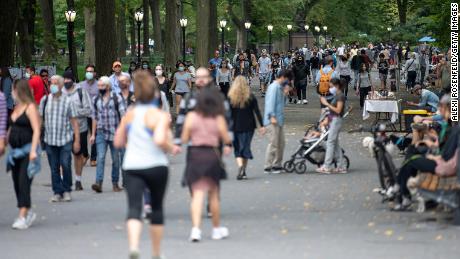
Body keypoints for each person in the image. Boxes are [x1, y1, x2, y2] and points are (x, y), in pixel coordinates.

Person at [114, 70, 174, 259]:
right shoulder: (159, 115)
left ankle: (133, 246)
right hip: (156, 165)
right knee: (156, 208)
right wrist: (171, 146)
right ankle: (156, 252)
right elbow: (159, 140)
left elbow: (118, 142)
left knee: (133, 208)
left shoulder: (129, 115)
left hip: (132, 166)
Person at [181, 87, 232, 242]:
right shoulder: (217, 117)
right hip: (212, 155)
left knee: (197, 194)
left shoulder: (191, 117)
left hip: (195, 155)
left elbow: (184, 138)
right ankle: (216, 229)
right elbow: (226, 137)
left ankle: (196, 230)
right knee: (213, 194)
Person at [391, 96, 455, 210]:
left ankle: (401, 190)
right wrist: (429, 137)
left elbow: (447, 154)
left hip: (443, 165)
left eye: (442, 108)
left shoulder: (452, 128)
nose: (439, 110)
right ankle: (401, 190)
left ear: (447, 109)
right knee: (412, 155)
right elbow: (443, 145)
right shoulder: (449, 125)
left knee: (411, 159)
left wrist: (434, 155)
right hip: (441, 161)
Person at [5, 80, 41, 230]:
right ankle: (27, 210)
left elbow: (37, 130)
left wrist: (33, 150)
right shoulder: (16, 107)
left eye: (13, 90)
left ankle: (22, 215)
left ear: (19, 90)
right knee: (16, 183)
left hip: (27, 151)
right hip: (14, 152)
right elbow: (11, 128)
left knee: (23, 181)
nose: (11, 93)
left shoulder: (30, 107)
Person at [40, 75, 80, 202]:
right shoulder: (45, 100)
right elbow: (40, 120)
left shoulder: (68, 101)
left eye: (56, 83)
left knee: (66, 164)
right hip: (50, 139)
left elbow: (74, 122)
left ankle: (67, 190)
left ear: (61, 85)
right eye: (52, 82)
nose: (53, 85)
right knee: (54, 167)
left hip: (65, 139)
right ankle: (57, 192)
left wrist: (77, 140)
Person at [89, 76, 126, 193]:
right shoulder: (96, 99)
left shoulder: (117, 98)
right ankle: (98, 183)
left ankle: (115, 183)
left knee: (116, 159)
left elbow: (123, 116)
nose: (100, 88)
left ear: (108, 86)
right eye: (98, 86)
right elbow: (94, 118)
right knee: (100, 157)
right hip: (101, 133)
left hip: (115, 133)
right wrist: (93, 134)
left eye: (102, 86)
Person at [228, 76, 264, 180]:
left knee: (238, 148)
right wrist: (261, 125)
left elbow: (228, 114)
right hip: (249, 126)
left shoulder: (231, 97)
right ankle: (243, 170)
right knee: (246, 146)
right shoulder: (250, 96)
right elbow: (257, 111)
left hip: (235, 126)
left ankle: (240, 167)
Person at [62, 71, 92, 191]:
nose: (66, 81)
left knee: (78, 155)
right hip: (64, 129)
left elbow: (88, 110)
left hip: (80, 128)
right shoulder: (60, 92)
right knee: (63, 155)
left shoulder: (81, 92)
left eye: (68, 79)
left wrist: (74, 113)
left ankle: (78, 180)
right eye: (64, 79)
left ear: (73, 80)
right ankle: (63, 179)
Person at [264, 69, 294, 174]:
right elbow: (270, 103)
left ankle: (277, 165)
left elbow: (284, 104)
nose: (288, 82)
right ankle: (268, 166)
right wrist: (271, 116)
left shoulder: (280, 88)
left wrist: (286, 93)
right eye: (288, 79)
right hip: (272, 119)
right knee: (274, 143)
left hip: (279, 119)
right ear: (284, 77)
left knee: (281, 143)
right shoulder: (274, 87)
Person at [316, 78, 347, 174]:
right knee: (335, 144)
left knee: (330, 142)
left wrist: (326, 104)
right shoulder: (336, 95)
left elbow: (338, 110)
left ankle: (327, 166)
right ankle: (341, 166)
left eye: (331, 86)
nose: (330, 88)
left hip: (336, 120)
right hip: (334, 120)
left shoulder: (340, 96)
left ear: (336, 86)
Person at [78, 64, 99, 167]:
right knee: (82, 137)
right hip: (83, 114)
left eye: (91, 71)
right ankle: (85, 155)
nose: (89, 73)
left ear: (94, 73)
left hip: (95, 114)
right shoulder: (81, 85)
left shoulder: (99, 85)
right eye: (87, 71)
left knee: (94, 135)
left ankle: (94, 158)